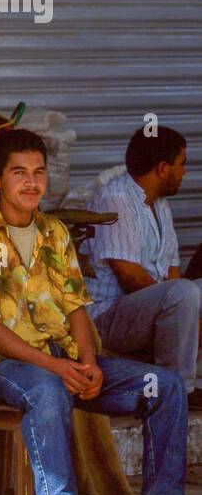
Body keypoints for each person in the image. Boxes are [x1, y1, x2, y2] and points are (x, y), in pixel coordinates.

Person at [0, 128, 196, 495]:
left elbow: (77, 308)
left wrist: (87, 361)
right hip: (5, 365)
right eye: (18, 173)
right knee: (47, 389)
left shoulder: (56, 233)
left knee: (166, 385)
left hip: (64, 359)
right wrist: (53, 366)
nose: (31, 183)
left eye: (38, 172)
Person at [86, 127, 202, 408]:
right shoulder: (115, 200)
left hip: (144, 311)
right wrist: (183, 308)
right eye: (182, 164)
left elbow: (173, 271)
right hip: (107, 318)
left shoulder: (159, 204)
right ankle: (180, 390)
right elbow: (130, 277)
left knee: (185, 293)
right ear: (163, 168)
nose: (185, 172)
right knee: (183, 293)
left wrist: (188, 316)